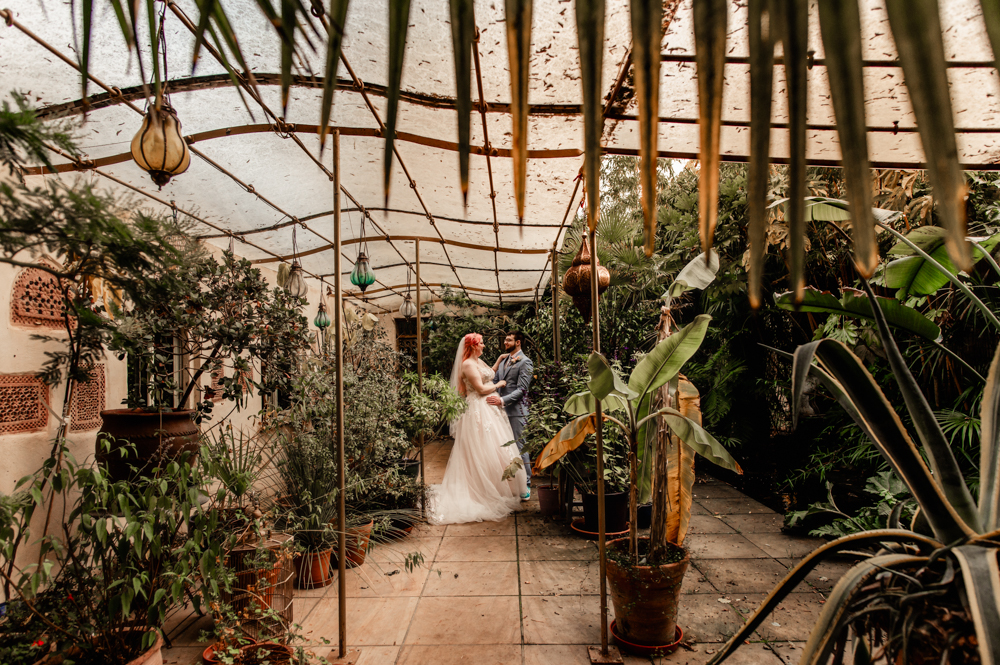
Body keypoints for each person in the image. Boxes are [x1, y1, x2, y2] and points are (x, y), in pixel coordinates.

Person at [426, 333, 528, 524]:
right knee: (481, 449)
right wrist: (499, 384)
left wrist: (498, 361)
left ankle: (497, 487)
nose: (484, 346)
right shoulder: (467, 364)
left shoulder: (478, 361)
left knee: (495, 448)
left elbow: (489, 372)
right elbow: (481, 388)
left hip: (489, 408)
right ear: (473, 346)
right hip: (478, 409)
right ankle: (480, 490)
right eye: (481, 343)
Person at [488, 331, 534, 500]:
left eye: (509, 340)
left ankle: (527, 484)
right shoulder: (503, 361)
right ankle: (512, 484)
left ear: (518, 342)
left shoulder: (526, 362)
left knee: (520, 447)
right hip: (499, 412)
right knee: (504, 448)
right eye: (506, 339)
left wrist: (501, 400)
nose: (505, 342)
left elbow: (522, 390)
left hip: (517, 412)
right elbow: (495, 382)